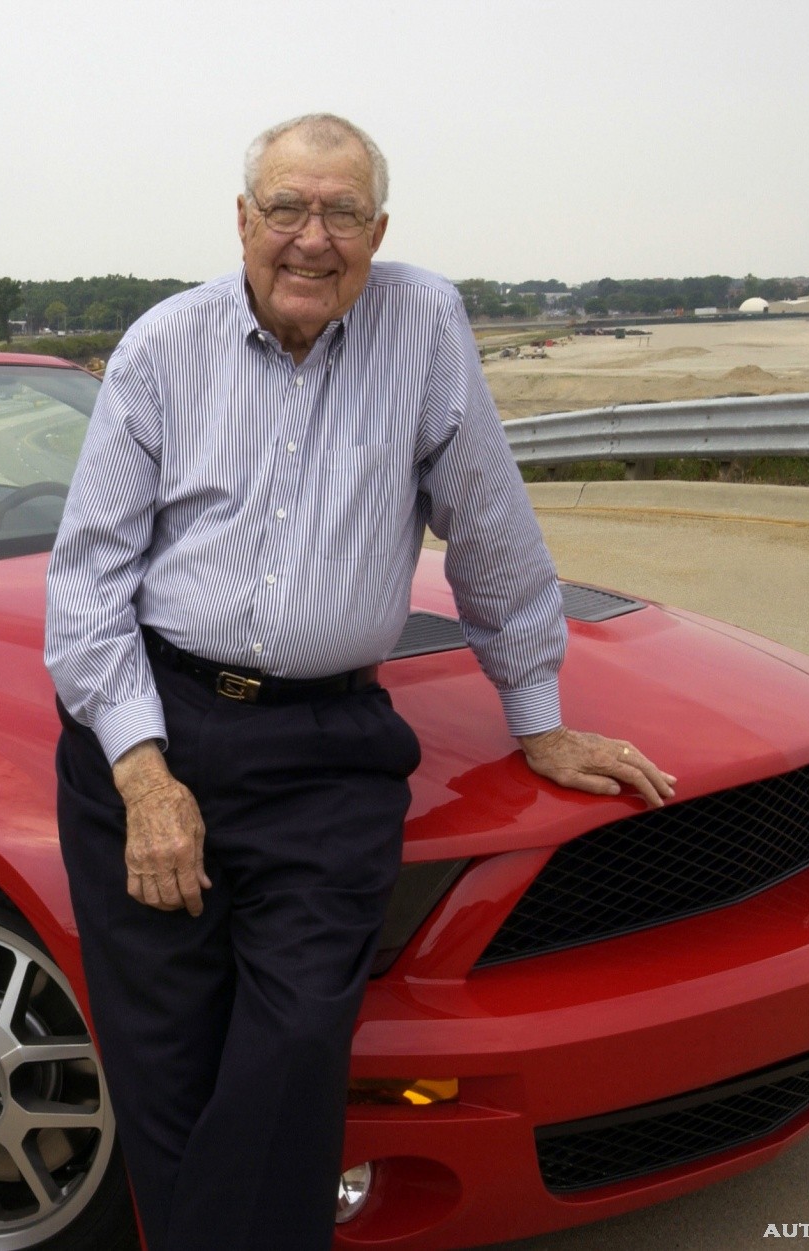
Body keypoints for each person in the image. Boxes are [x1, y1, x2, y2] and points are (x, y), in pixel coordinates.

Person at [43, 113, 676, 1251]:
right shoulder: (160, 348)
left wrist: (538, 715)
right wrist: (144, 781)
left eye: (342, 213)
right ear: (244, 220)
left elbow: (488, 526)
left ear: (378, 230)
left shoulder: (424, 323)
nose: (312, 239)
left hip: (326, 746)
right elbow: (88, 582)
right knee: (164, 1063)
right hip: (153, 731)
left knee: (291, 1047)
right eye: (287, 208)